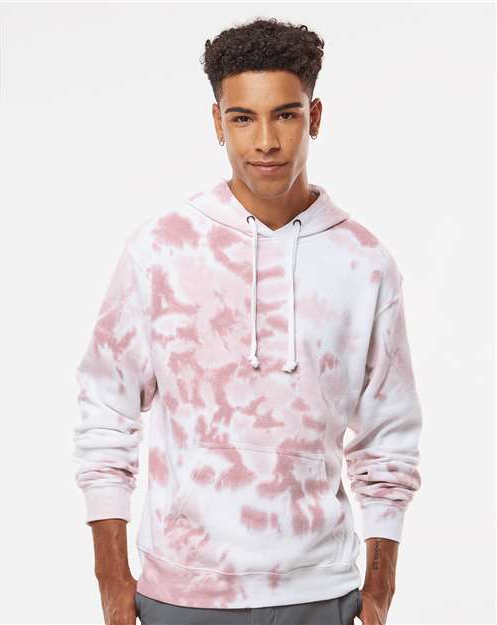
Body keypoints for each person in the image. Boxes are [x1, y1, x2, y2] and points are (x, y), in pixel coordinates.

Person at [72, 16, 423, 625]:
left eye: (285, 115)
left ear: (314, 117)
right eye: (242, 118)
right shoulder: (162, 249)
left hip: (319, 593)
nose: (265, 141)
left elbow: (388, 432)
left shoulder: (364, 263)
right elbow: (105, 407)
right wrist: (111, 575)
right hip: (181, 593)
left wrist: (380, 585)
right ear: (218, 123)